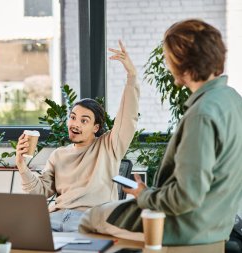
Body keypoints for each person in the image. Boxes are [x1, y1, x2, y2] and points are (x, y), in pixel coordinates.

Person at [80, 19, 242, 246]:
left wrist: (144, 195)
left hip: (183, 226)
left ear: (182, 61)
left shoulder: (202, 114)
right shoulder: (233, 100)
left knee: (89, 218)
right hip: (217, 223)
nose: (166, 63)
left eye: (168, 57)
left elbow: (186, 197)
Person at [15, 40, 140, 232]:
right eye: (73, 118)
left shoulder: (109, 146)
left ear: (96, 127)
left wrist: (131, 76)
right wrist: (22, 166)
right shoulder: (58, 155)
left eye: (84, 120)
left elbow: (127, 117)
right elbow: (39, 192)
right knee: (16, 236)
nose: (75, 124)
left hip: (90, 220)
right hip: (55, 217)